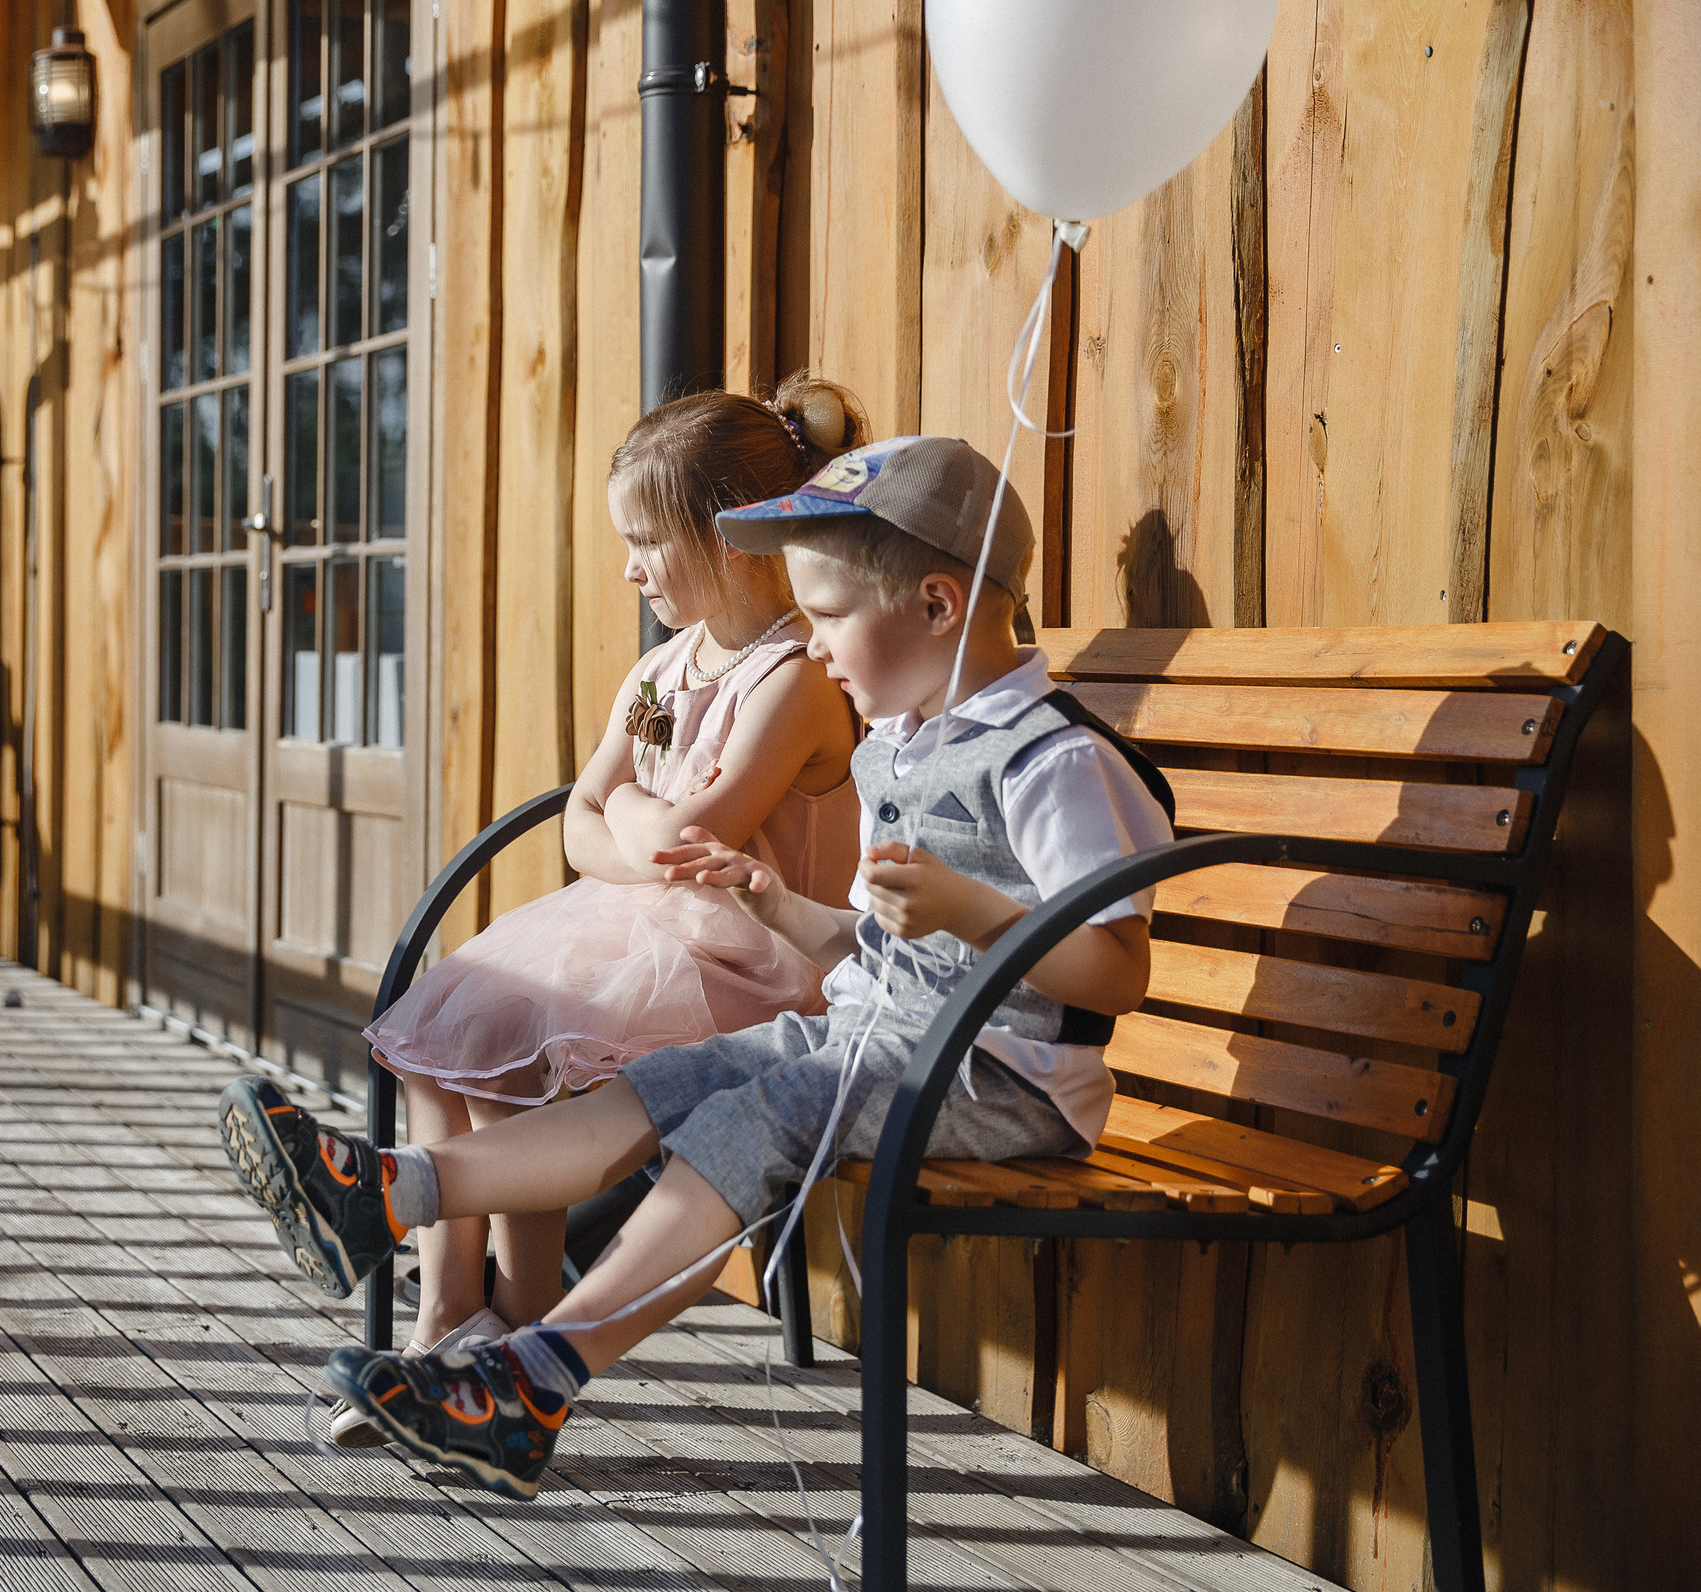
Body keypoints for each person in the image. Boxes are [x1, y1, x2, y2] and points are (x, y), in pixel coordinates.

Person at [216, 435, 1177, 1498]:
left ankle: (534, 1381)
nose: (813, 648)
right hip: (873, 1039)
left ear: (939, 606)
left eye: (826, 618)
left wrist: (970, 910)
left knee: (742, 1121)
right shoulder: (901, 746)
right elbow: (872, 950)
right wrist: (771, 902)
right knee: (662, 1087)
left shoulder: (1056, 761)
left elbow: (1115, 976)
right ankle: (385, 1194)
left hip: (1002, 1080)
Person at [335, 378, 866, 1446]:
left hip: (757, 959)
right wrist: (627, 813)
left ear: (727, 537)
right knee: (449, 1041)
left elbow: (680, 840)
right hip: (642, 928)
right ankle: (451, 1319)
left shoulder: (794, 678)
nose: (628, 567)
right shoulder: (662, 669)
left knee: (532, 1044)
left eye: (645, 541)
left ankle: (514, 1335)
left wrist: (623, 808)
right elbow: (581, 823)